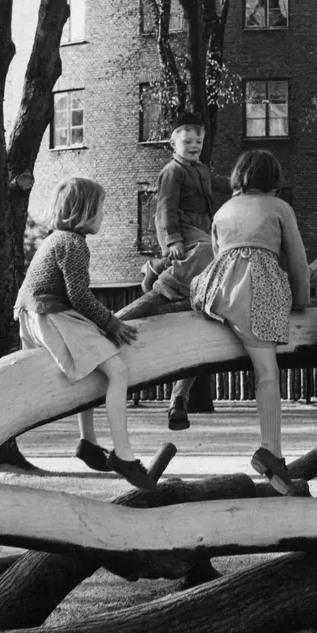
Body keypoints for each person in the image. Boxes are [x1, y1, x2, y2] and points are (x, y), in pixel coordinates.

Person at [13, 178, 155, 491]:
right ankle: (124, 455)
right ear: (86, 211)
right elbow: (79, 296)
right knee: (118, 371)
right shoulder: (73, 244)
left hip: (32, 312)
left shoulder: (55, 239)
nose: (104, 215)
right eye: (101, 208)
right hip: (51, 313)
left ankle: (89, 442)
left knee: (92, 369)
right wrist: (111, 323)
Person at [189, 149, 311, 496]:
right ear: (274, 180)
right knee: (268, 373)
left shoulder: (224, 209)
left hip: (215, 288)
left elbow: (217, 253)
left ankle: (180, 396)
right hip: (252, 289)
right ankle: (271, 450)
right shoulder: (279, 207)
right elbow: (297, 259)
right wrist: (301, 300)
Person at [127, 111, 230, 432]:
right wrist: (170, 240)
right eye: (187, 141)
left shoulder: (200, 169)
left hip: (202, 229)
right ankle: (162, 272)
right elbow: (164, 210)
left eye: (199, 141)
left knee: (216, 259)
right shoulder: (171, 172)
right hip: (184, 232)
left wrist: (244, 183)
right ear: (173, 142)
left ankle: (161, 271)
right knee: (209, 254)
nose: (194, 145)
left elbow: (220, 185)